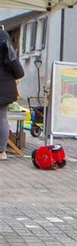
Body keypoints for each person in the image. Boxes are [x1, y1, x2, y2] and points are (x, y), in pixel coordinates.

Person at [0, 28, 24, 161]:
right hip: (2, 83)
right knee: (1, 117)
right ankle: (1, 151)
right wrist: (19, 73)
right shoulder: (2, 36)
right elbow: (11, 59)